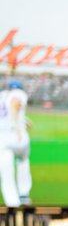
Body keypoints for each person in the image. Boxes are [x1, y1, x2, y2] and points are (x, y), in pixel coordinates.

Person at [0, 79, 33, 208]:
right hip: (17, 136)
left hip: (3, 139)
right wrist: (18, 127)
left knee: (6, 171)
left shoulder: (2, 95)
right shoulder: (18, 93)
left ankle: (12, 202)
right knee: (23, 160)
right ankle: (24, 194)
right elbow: (15, 104)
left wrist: (22, 120)